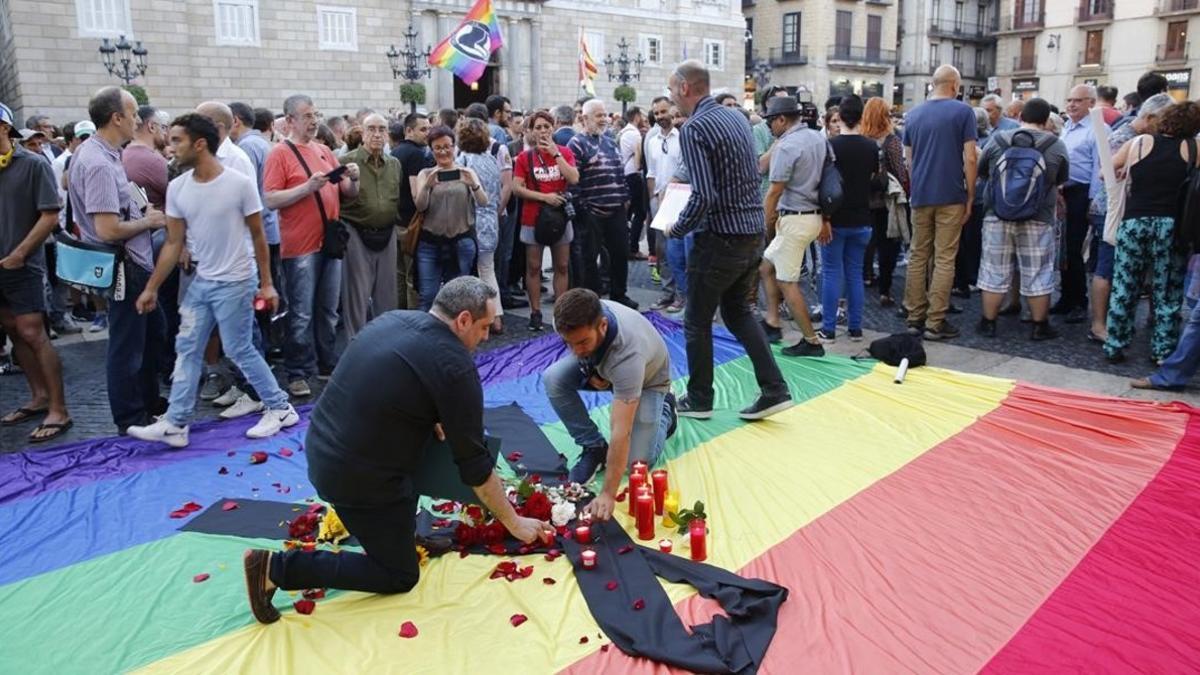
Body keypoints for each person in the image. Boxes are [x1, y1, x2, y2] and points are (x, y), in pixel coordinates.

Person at [242, 277, 553, 623]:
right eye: (483, 326)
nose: (487, 335)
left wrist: (434, 416)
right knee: (399, 575)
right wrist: (513, 521)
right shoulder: (454, 366)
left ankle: (400, 536)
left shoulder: (393, 319)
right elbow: (475, 466)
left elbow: (388, 393)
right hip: (353, 476)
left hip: (322, 447)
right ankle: (277, 568)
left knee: (427, 435)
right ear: (463, 319)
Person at [126, 113, 297, 447]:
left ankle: (280, 407)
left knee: (238, 347)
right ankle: (176, 424)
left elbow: (259, 235)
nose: (170, 146)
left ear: (199, 144)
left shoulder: (238, 183)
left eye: (177, 140)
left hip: (237, 279)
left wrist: (266, 282)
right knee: (187, 347)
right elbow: (175, 243)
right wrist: (151, 288)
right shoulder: (177, 187)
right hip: (203, 281)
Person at [666, 60, 793, 420]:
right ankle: (774, 388)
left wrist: (676, 227)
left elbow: (703, 194)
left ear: (685, 88)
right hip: (751, 230)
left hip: (720, 236)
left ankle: (699, 398)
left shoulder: (694, 129)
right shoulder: (735, 117)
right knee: (738, 312)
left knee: (696, 319)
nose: (673, 98)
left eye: (673, 90)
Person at [68, 87, 169, 433]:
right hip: (126, 267)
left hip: (135, 265)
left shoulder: (106, 154)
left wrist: (143, 211)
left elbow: (126, 204)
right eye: (133, 114)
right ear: (117, 118)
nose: (138, 121)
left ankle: (149, 405)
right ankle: (131, 419)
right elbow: (108, 229)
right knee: (128, 347)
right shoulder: (97, 162)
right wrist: (150, 221)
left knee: (153, 336)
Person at [264, 94, 360, 398]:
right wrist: (307, 188)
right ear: (290, 120)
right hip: (300, 245)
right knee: (301, 312)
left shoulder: (323, 150)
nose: (314, 120)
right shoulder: (279, 153)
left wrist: (354, 180)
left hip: (328, 243)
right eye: (307, 115)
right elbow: (270, 199)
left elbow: (348, 193)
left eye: (316, 114)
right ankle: (298, 371)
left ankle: (327, 363)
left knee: (328, 309)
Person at [548, 288, 678, 511]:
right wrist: (588, 367)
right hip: (607, 367)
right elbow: (578, 347)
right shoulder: (567, 318)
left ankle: (666, 410)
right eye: (569, 343)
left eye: (582, 343)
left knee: (636, 462)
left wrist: (608, 494)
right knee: (553, 379)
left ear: (603, 326)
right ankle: (594, 447)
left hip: (649, 380)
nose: (575, 350)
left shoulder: (627, 356)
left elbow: (621, 431)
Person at [1104, 101, 1200, 364]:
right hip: (1172, 226)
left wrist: (1127, 170)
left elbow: (1105, 172)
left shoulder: (1139, 143)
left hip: (1135, 222)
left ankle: (1115, 345)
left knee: (1125, 285)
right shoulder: (1194, 147)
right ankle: (1161, 351)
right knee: (1167, 292)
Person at [0, 101, 72, 443]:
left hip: (23, 263)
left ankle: (59, 408)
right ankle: (38, 396)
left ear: (4, 128)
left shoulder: (31, 164)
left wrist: (20, 253)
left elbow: (50, 215)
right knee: (13, 330)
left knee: (32, 331)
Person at [974, 98, 1070, 340]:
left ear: (1020, 117)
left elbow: (983, 171)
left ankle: (988, 322)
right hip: (1039, 217)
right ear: (1047, 120)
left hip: (997, 214)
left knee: (993, 270)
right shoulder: (1056, 145)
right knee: (1038, 272)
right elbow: (1061, 178)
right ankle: (1039, 326)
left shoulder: (998, 140)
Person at [1088, 93, 1175, 344]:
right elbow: (1108, 177)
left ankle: (1122, 321)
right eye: (1163, 120)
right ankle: (1099, 324)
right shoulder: (1123, 138)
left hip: (1132, 212)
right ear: (1149, 117)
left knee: (1130, 270)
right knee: (1106, 268)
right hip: (1113, 212)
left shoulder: (1144, 138)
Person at [902, 65, 978, 340]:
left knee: (918, 254)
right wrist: (970, 195)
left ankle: (914, 316)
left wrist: (917, 183)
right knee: (945, 257)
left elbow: (908, 160)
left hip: (921, 194)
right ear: (955, 85)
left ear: (932, 84)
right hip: (951, 194)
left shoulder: (913, 115)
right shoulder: (963, 112)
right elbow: (970, 157)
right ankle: (935, 321)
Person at [756, 96, 825, 357]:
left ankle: (811, 341)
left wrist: (764, 224)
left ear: (782, 120)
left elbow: (773, 192)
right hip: (811, 216)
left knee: (787, 281)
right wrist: (826, 219)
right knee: (766, 266)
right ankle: (773, 322)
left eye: (771, 121)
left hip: (794, 218)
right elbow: (828, 180)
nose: (770, 127)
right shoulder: (818, 138)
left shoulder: (786, 146)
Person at [512, 110, 580, 331]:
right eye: (538, 127)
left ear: (553, 128)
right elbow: (516, 188)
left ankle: (560, 313)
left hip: (560, 218)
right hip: (533, 217)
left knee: (562, 265)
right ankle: (535, 312)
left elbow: (574, 178)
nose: (542, 131)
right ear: (531, 131)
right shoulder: (524, 158)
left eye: (546, 126)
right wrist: (544, 197)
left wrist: (556, 154)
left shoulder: (564, 152)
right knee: (533, 267)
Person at [568, 99, 636, 309]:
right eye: (598, 115)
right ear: (584, 118)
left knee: (620, 254)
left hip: (616, 210)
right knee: (589, 258)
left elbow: (619, 172)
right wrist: (583, 208)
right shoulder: (576, 143)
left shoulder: (610, 141)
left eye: (604, 115)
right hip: (591, 212)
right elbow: (573, 181)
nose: (603, 119)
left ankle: (619, 294)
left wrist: (624, 198)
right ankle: (592, 299)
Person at [337, 113, 400, 339]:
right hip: (356, 232)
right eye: (371, 129)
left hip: (387, 233)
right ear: (362, 133)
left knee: (387, 295)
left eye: (382, 129)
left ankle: (386, 344)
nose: (376, 134)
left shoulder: (394, 164)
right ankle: (357, 346)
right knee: (357, 297)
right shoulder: (346, 162)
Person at [411, 125, 488, 310]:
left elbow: (484, 202)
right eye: (438, 147)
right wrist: (427, 186)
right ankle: (426, 334)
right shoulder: (425, 174)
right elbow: (420, 206)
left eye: (447, 146)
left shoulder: (466, 172)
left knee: (458, 298)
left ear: (454, 147)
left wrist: (474, 185)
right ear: (431, 149)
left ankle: (454, 334)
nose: (443, 151)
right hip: (430, 242)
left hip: (461, 241)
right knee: (427, 295)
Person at [819, 94, 875, 343]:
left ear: (839, 117)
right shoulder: (871, 146)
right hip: (863, 218)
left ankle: (829, 329)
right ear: (862, 117)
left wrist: (824, 218)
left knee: (832, 273)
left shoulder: (830, 146)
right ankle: (855, 328)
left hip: (834, 219)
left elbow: (821, 185)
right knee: (854, 273)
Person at [1053, 84, 1098, 324]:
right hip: (1064, 192)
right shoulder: (1068, 127)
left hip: (1081, 193)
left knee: (1073, 248)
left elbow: (1098, 168)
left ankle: (1079, 301)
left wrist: (1092, 200)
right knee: (1062, 248)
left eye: (1077, 100)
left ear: (1090, 102)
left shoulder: (1098, 130)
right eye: (1069, 100)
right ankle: (1066, 298)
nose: (1071, 104)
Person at [860, 97, 910, 308]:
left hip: (863, 201)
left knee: (866, 243)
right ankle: (885, 289)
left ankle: (866, 276)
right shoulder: (891, 141)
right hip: (886, 202)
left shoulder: (860, 140)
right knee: (888, 243)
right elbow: (900, 172)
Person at [457, 118, 505, 333]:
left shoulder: (463, 160)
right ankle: (496, 317)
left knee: (466, 271)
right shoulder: (491, 160)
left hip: (471, 219)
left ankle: (472, 319)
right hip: (491, 220)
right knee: (488, 270)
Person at [646, 98, 686, 313]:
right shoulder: (652, 141)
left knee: (679, 251)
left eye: (663, 111)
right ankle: (667, 293)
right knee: (662, 251)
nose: (660, 116)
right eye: (657, 113)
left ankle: (682, 295)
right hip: (659, 202)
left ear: (673, 110)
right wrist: (652, 199)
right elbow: (651, 173)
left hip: (680, 201)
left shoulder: (683, 137)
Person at [389, 113, 432, 309]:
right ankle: (413, 318)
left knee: (399, 274)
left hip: (396, 222)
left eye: (429, 129)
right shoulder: (416, 154)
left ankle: (400, 314)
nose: (427, 133)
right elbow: (417, 194)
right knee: (412, 276)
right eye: (423, 129)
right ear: (408, 131)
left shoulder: (395, 152)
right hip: (411, 224)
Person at [618, 107, 649, 260]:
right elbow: (639, 159)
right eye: (642, 116)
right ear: (637, 116)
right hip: (633, 175)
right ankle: (633, 248)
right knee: (640, 212)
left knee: (628, 213)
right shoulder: (634, 134)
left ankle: (625, 246)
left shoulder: (624, 132)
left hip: (627, 174)